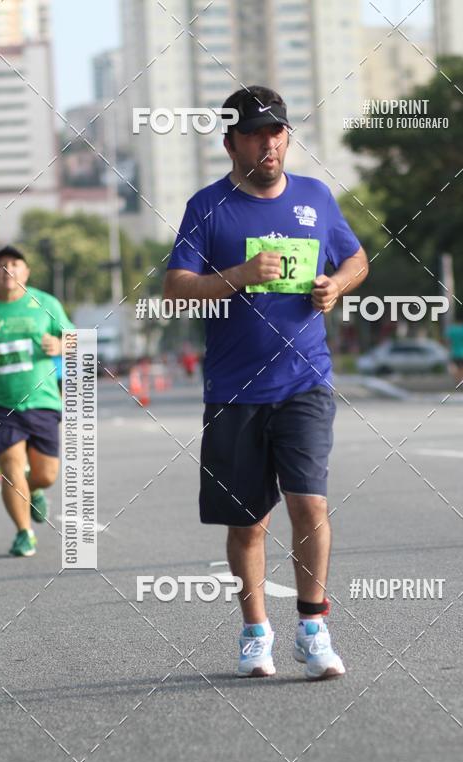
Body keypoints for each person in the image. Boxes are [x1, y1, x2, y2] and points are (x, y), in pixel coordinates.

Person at [164, 86, 369, 679]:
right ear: (230, 142)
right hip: (233, 391)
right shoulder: (207, 206)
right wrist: (238, 275)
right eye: (255, 133)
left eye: (277, 131)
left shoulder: (315, 197)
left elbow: (356, 260)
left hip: (305, 379)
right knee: (249, 523)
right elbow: (177, 288)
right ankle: (255, 631)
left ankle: (313, 625)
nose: (269, 142)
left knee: (310, 503)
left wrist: (338, 286)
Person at [0, 245, 74, 557]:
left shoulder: (46, 303)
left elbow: (78, 341)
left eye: (15, 264)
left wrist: (61, 344)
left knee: (46, 475)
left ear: (26, 272)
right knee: (10, 465)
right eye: (0, 265)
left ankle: (34, 489)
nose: (7, 269)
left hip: (42, 400)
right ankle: (24, 533)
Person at [445, 314, 463, 386]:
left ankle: (458, 381)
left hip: (454, 352)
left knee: (456, 368)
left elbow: (447, 341)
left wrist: (449, 348)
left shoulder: (451, 330)